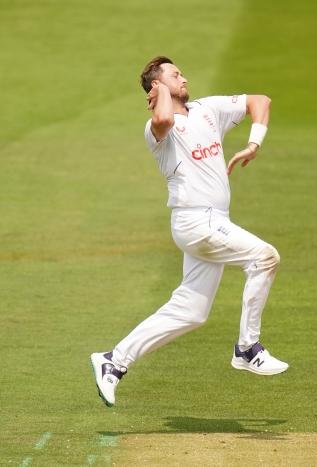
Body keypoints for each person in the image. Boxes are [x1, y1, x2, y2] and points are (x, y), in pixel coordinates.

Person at [90, 56, 288, 407]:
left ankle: (113, 361)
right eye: (174, 75)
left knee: (191, 311)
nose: (184, 78)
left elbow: (261, 101)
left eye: (181, 73)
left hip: (213, 221)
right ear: (157, 86)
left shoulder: (207, 109)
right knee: (264, 257)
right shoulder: (156, 130)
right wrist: (161, 94)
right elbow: (163, 118)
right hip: (196, 222)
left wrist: (254, 143)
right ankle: (247, 348)